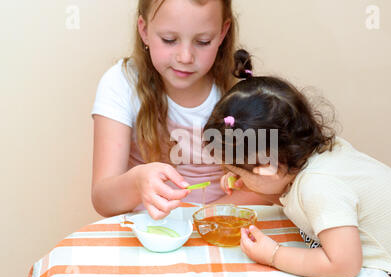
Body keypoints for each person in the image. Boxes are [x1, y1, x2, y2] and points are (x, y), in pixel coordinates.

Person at [203, 49, 391, 277]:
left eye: (233, 169)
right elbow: (292, 198)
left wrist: (273, 255)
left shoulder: (319, 186)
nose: (233, 177)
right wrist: (249, 182)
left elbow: (343, 264)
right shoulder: (314, 159)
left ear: (269, 167)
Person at [91, 0, 271, 219]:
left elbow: (266, 186)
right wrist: (137, 182)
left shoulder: (240, 89)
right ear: (144, 30)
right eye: (169, 40)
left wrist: (204, 218)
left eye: (203, 41)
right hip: (149, 232)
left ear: (223, 33)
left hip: (218, 227)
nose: (185, 57)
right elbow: (103, 200)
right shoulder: (122, 83)